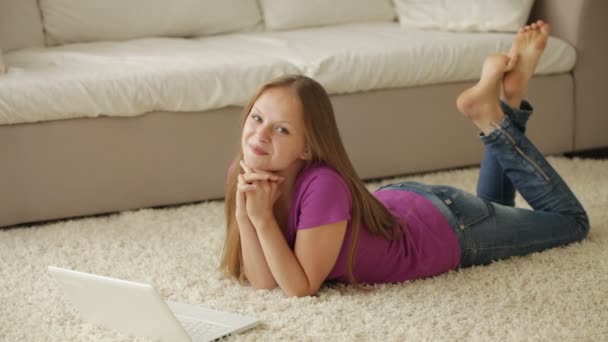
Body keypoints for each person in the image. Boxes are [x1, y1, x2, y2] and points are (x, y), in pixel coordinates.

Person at [220, 21, 590, 298]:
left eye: (281, 129)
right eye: (256, 118)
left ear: (307, 147)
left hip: (451, 229)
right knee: (497, 207)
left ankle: (492, 119)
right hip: (410, 207)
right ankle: (505, 102)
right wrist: (246, 213)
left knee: (572, 222)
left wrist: (261, 219)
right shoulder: (245, 172)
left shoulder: (323, 184)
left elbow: (299, 288)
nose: (260, 135)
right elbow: (266, 281)